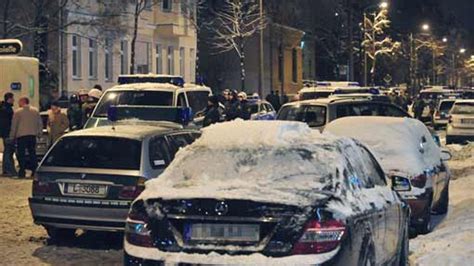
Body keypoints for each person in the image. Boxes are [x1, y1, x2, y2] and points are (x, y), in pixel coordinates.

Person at [10, 97, 43, 178]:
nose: (18, 104)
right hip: (32, 136)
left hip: (21, 136)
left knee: (21, 154)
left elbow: (14, 125)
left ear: (22, 102)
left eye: (19, 102)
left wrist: (12, 136)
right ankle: (34, 170)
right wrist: (39, 133)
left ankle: (22, 171)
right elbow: (40, 123)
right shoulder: (35, 111)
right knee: (32, 153)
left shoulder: (18, 112)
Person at [0, 93, 17, 177]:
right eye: (12, 98)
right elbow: (7, 123)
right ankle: (10, 170)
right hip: (7, 133)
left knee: (8, 151)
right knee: (8, 151)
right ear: (9, 99)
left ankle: (6, 170)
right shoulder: (7, 109)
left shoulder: (3, 108)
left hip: (4, 133)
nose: (14, 100)